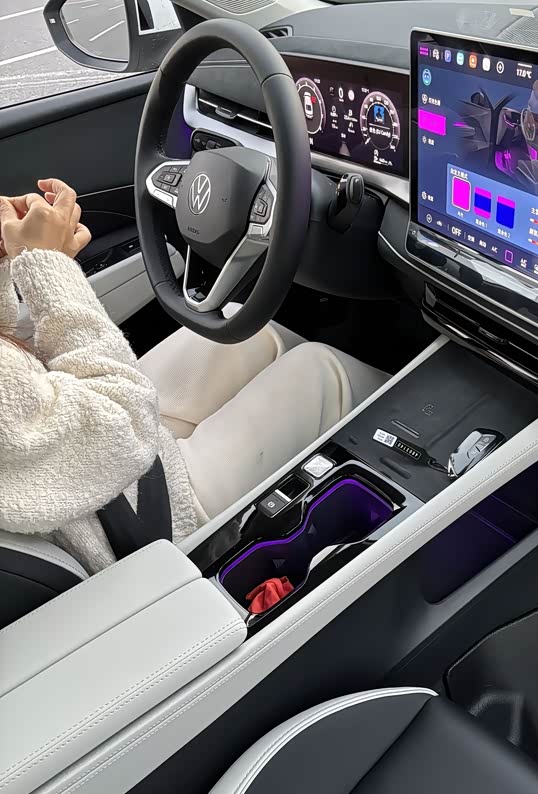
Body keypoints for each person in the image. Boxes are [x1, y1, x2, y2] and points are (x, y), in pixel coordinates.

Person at [0, 179, 387, 573]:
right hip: (134, 522)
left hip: (74, 456)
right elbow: (123, 433)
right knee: (322, 371)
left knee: (245, 331)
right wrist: (46, 264)